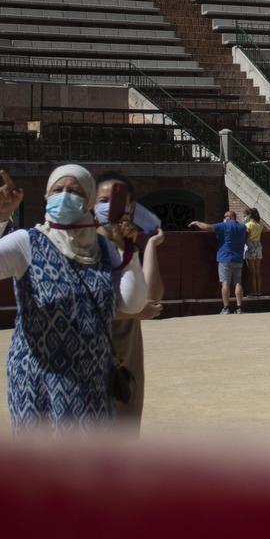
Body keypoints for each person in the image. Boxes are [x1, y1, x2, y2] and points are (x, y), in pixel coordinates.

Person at [0, 166, 154, 429]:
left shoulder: (104, 249)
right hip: (37, 378)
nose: (65, 196)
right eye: (58, 190)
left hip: (91, 379)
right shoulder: (27, 242)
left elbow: (132, 302)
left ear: (87, 200)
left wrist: (126, 247)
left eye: (74, 191)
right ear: (46, 196)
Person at [97, 172, 164, 431]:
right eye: (104, 199)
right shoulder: (85, 245)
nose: (110, 206)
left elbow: (153, 298)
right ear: (92, 204)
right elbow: (81, 304)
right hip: (92, 352)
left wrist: (151, 246)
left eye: (118, 200)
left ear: (131, 208)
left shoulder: (127, 247)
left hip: (127, 355)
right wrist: (133, 313)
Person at [191, 209, 249, 314]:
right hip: (238, 258)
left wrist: (196, 222)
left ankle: (226, 308)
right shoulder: (242, 227)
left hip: (225, 257)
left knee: (225, 283)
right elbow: (248, 233)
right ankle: (239, 308)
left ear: (228, 217)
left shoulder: (224, 225)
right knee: (238, 283)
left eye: (224, 217)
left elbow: (207, 227)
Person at [242, 208, 265, 304]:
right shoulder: (260, 224)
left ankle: (254, 292)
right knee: (258, 271)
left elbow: (247, 236)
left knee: (252, 271)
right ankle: (259, 291)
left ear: (249, 215)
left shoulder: (248, 225)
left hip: (250, 245)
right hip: (258, 245)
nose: (244, 217)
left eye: (245, 215)